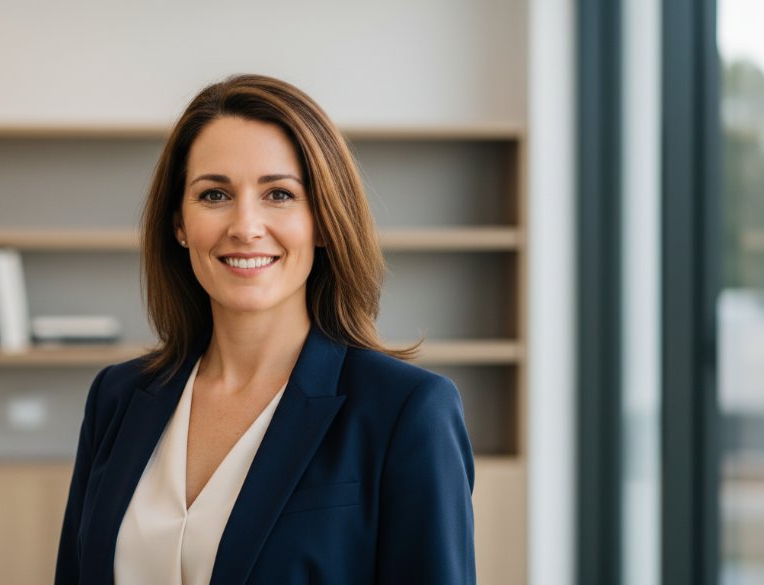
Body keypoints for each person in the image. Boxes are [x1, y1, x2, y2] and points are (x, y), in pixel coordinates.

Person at [54, 74, 475, 585]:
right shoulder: (116, 399)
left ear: (323, 220)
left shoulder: (406, 409)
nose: (245, 225)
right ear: (179, 225)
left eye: (278, 194)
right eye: (214, 195)